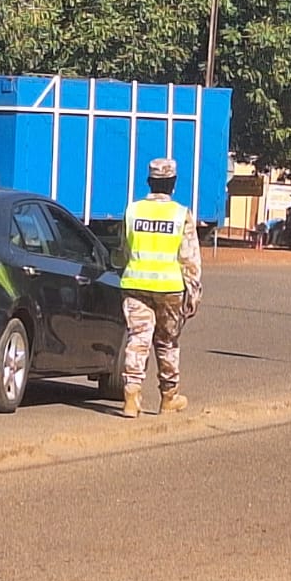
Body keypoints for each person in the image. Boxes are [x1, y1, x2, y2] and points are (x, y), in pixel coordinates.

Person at [117, 157, 202, 418]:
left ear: (149, 182)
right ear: (173, 183)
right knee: (166, 343)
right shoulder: (180, 214)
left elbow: (123, 251)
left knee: (138, 339)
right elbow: (190, 258)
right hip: (170, 289)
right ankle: (168, 397)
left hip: (134, 285)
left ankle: (131, 397)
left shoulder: (133, 211)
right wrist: (194, 293)